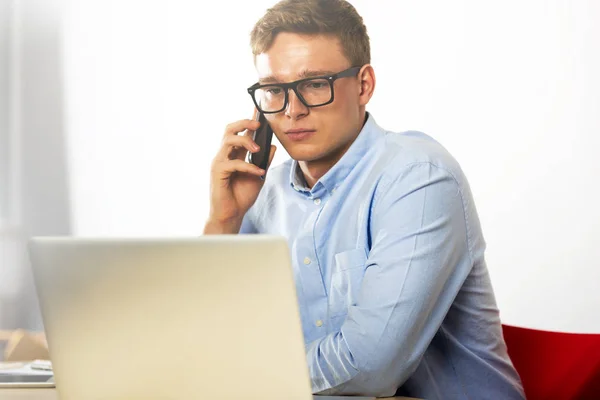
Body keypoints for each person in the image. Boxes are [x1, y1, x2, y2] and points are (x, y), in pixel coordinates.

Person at [204, 0, 525, 398]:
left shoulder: (418, 178)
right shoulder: (265, 194)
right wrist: (224, 219)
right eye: (274, 90)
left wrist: (240, 377)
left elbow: (371, 367)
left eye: (315, 84)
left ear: (363, 85)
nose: (293, 110)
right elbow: (204, 334)